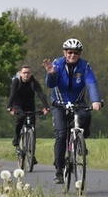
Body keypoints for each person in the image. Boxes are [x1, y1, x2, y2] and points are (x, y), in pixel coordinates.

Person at [42, 38, 102, 184]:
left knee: (86, 116)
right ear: (65, 52)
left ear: (80, 54)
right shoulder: (57, 63)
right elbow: (50, 85)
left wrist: (95, 100)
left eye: (76, 53)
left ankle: (81, 140)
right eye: (70, 52)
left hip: (78, 102)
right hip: (59, 104)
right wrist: (51, 74)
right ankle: (59, 169)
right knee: (61, 135)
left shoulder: (84, 66)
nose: (72, 55)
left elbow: (91, 83)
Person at [7, 65, 50, 161]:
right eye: (24, 72)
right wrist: (9, 107)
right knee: (21, 117)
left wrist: (46, 107)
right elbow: (12, 95)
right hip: (17, 104)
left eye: (28, 73)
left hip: (29, 105)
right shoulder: (16, 82)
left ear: (30, 74)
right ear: (21, 73)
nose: (26, 74)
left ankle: (32, 154)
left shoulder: (33, 82)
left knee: (32, 129)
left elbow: (40, 94)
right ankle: (17, 136)